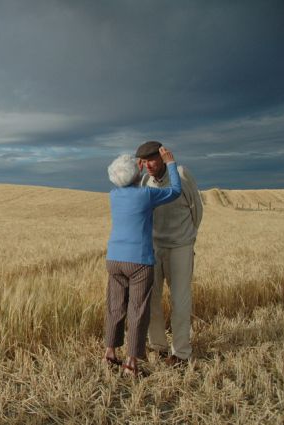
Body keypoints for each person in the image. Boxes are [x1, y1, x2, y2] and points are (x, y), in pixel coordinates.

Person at [104, 147, 181, 377]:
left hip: (114, 259)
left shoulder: (113, 195)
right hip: (139, 261)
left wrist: (133, 172)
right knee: (138, 310)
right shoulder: (146, 195)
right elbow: (175, 191)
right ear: (137, 173)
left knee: (115, 306)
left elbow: (126, 182)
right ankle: (131, 362)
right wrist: (171, 163)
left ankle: (109, 353)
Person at [135, 141, 203, 366]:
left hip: (180, 247)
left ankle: (181, 353)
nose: (149, 165)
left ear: (164, 157)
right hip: (154, 248)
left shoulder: (182, 173)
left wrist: (187, 238)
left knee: (180, 299)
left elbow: (197, 209)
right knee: (151, 299)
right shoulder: (145, 180)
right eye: (144, 162)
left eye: (152, 159)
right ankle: (158, 346)